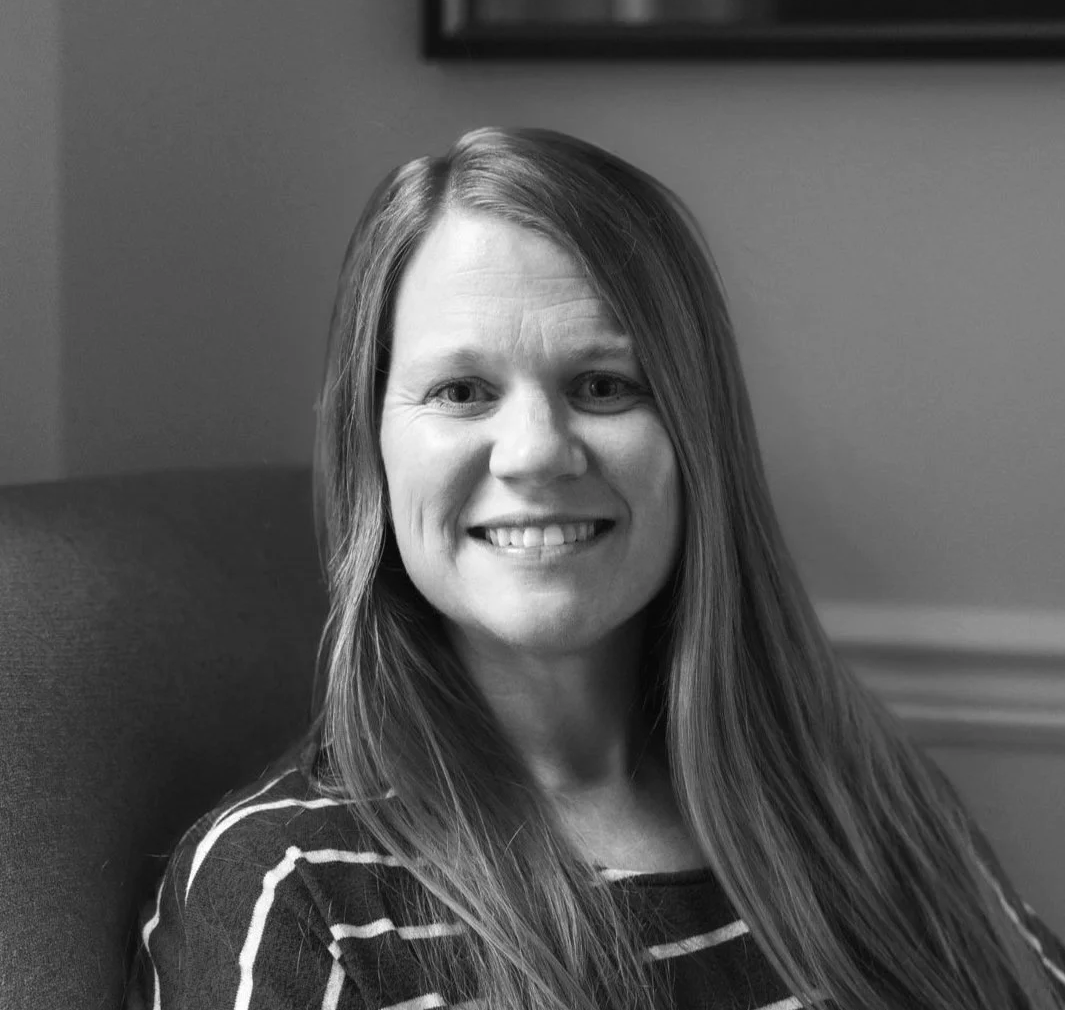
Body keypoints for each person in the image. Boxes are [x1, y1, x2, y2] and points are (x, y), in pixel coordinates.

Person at [125, 127, 1065, 1010]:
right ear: (368, 446)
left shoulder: (860, 798)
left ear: (699, 440)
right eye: (461, 391)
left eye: (603, 385)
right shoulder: (290, 889)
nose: (535, 452)